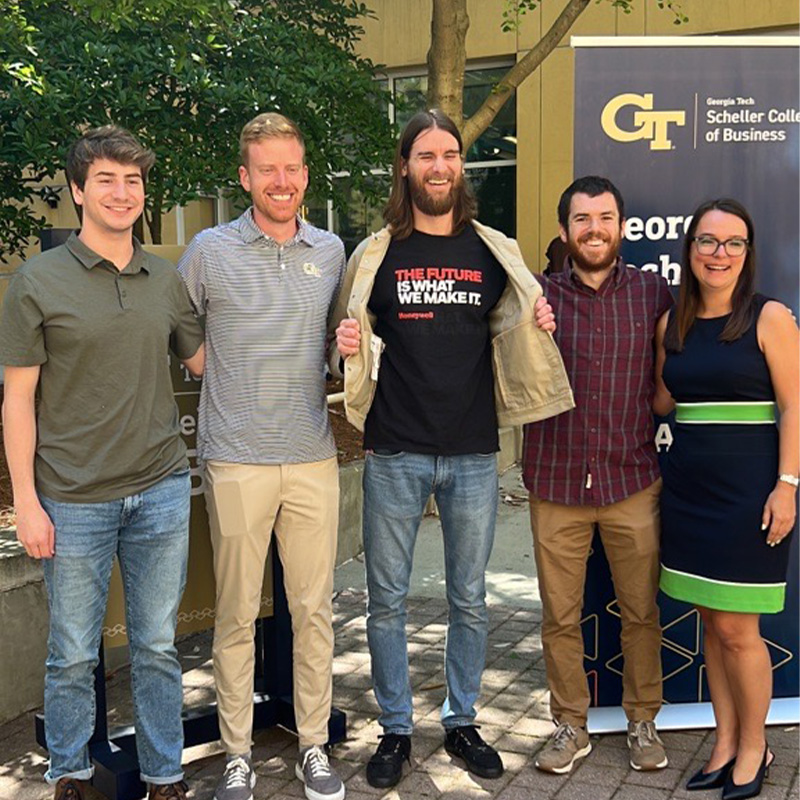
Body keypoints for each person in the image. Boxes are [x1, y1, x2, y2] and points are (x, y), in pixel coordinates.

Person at [333, 108, 573, 789]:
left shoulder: (493, 249)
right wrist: (343, 345)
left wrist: (541, 317)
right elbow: (342, 337)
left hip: (472, 452)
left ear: (459, 166)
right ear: (405, 166)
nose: (439, 166)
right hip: (395, 450)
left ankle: (462, 721)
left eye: (449, 154)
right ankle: (397, 729)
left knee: (470, 598)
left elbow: (520, 321)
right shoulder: (374, 252)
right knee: (387, 599)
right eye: (425, 155)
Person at [0, 126, 205, 800]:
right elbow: (18, 400)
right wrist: (26, 502)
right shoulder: (36, 282)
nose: (123, 193)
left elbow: (203, 360)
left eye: (134, 181)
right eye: (108, 180)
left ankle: (164, 777)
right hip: (73, 499)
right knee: (73, 656)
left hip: (162, 490)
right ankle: (70, 776)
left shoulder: (165, 277)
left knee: (154, 648)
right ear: (79, 190)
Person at [177, 112, 347, 800]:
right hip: (237, 459)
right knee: (237, 613)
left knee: (313, 610)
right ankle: (239, 752)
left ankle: (312, 745)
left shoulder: (332, 249)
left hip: (312, 455)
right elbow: (175, 324)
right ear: (245, 177)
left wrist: (345, 351)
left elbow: (337, 345)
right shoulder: (208, 250)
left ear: (305, 175)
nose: (282, 181)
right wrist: (199, 362)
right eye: (267, 169)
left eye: (292, 168)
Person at [523, 175, 674, 774]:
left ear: (622, 226)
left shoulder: (653, 295)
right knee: (560, 616)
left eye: (604, 217)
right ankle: (570, 726)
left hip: (631, 479)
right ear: (565, 231)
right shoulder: (534, 298)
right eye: (582, 219)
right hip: (555, 481)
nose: (594, 228)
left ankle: (643, 722)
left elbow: (667, 385)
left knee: (640, 611)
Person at [654, 198, 798, 800]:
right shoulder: (672, 325)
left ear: (748, 252)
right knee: (711, 624)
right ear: (690, 251)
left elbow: (794, 407)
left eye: (733, 243)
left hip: (749, 496)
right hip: (689, 492)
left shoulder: (769, 318)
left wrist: (788, 487)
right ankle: (724, 740)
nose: (720, 253)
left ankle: (755, 746)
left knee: (740, 630)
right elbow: (664, 402)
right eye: (708, 242)